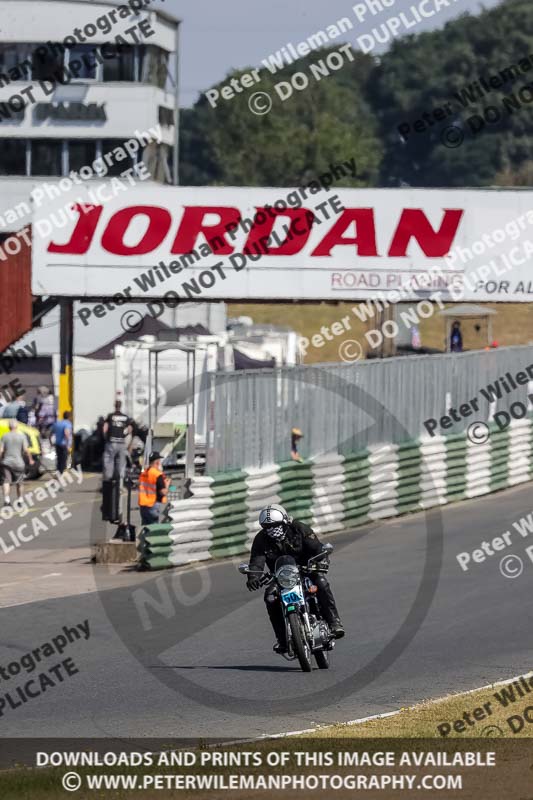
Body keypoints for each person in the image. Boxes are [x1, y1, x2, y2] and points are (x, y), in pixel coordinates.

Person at [246, 503, 344, 654]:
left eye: (276, 525)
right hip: (281, 576)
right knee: (270, 598)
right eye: (267, 527)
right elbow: (256, 561)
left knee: (321, 583)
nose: (272, 529)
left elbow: (317, 547)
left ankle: (334, 623)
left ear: (285, 520)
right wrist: (253, 576)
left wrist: (322, 559)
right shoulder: (261, 539)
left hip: (307, 569)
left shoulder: (299, 528)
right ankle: (282, 639)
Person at [0, 419, 34, 506]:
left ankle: (7, 500)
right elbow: (26, 450)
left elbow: (1, 450)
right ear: (17, 426)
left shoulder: (4, 436)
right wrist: (30, 460)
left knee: (6, 481)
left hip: (7, 462)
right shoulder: (22, 436)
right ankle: (20, 500)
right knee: (19, 482)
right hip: (19, 463)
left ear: (9, 427)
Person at [102, 400, 133, 481]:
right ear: (120, 406)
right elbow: (130, 429)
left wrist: (106, 437)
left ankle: (108, 478)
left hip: (111, 442)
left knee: (109, 460)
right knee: (121, 461)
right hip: (121, 442)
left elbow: (105, 428)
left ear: (114, 406)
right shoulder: (125, 417)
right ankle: (120, 478)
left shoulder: (110, 416)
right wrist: (123, 435)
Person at [138, 451, 169, 525]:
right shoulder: (157, 474)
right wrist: (167, 485)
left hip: (143, 506)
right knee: (153, 531)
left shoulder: (144, 473)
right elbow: (163, 492)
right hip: (153, 505)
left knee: (145, 528)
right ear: (157, 462)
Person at [52, 410, 73, 476]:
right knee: (64, 460)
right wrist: (68, 444)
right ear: (69, 417)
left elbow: (50, 433)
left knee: (59, 459)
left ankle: (58, 472)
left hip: (57, 444)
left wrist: (51, 442)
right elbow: (66, 433)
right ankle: (60, 474)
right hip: (64, 444)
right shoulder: (68, 423)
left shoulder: (57, 423)